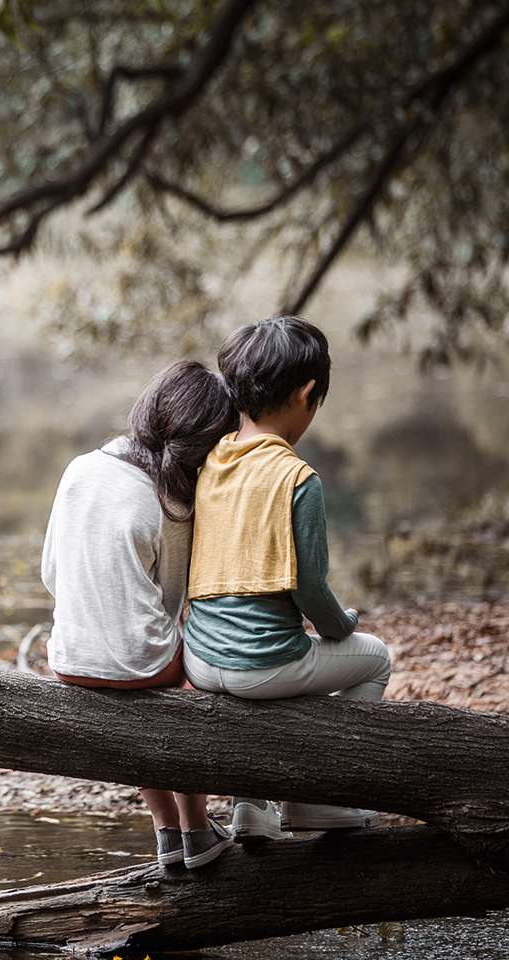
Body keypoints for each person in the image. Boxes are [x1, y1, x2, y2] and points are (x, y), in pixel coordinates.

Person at [183, 316, 392, 841]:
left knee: (290, 665)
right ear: (306, 394)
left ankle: (251, 807)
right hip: (260, 668)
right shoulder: (298, 478)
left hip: (201, 660)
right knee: (374, 658)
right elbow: (309, 588)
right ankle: (314, 799)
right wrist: (340, 626)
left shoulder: (211, 462)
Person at [41, 360, 238, 868]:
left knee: (131, 686)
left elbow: (49, 573)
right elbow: (174, 598)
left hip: (68, 659)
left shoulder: (79, 468)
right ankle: (197, 828)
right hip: (142, 665)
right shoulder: (172, 496)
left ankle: (164, 830)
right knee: (194, 669)